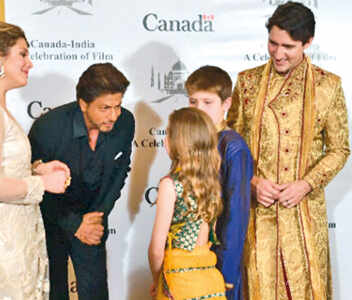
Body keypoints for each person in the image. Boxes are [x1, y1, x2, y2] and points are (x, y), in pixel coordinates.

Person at [227, 2, 350, 299]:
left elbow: (340, 148)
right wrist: (251, 181)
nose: (278, 53)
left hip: (304, 215)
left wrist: (306, 184)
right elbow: (230, 142)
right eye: (273, 43)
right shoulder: (247, 82)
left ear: (308, 43)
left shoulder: (328, 86)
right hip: (257, 214)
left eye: (288, 46)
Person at [0, 21, 70, 299]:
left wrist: (36, 169)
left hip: (7, 238)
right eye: (22, 54)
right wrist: (43, 183)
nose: (30, 63)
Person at [28, 62, 135, 300]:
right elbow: (35, 186)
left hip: (93, 221)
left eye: (118, 106)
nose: (114, 115)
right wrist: (75, 225)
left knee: (95, 292)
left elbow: (119, 172)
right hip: (52, 222)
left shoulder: (126, 122)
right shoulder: (48, 128)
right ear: (83, 104)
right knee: (54, 293)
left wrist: (98, 216)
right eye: (105, 108)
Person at [186, 66, 253, 300]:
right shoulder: (193, 142)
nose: (199, 109)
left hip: (218, 262)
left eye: (207, 102)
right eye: (193, 102)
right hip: (191, 258)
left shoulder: (233, 147)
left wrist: (227, 273)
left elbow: (236, 216)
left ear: (226, 104)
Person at [148, 107, 227, 300]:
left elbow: (156, 250)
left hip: (179, 283)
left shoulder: (170, 185)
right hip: (211, 281)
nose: (165, 139)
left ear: (179, 143)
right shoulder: (211, 183)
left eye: (168, 134)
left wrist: (157, 279)